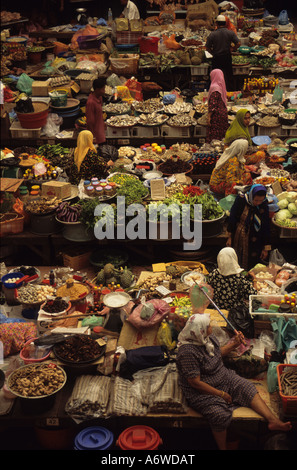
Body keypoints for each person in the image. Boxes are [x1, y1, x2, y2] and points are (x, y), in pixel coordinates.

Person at [176, 313, 292, 450]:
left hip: (221, 375)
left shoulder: (206, 339)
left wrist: (234, 343)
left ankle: (273, 421)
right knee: (219, 415)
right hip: (202, 390)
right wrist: (221, 394)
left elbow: (217, 353)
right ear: (200, 330)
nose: (211, 327)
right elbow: (195, 383)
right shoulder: (187, 352)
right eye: (208, 326)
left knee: (246, 387)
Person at [227, 184, 272, 270]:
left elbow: (266, 225)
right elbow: (232, 218)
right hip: (240, 236)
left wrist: (266, 248)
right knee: (238, 258)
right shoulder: (241, 200)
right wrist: (230, 237)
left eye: (260, 200)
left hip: (257, 239)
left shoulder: (263, 204)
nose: (258, 203)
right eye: (256, 200)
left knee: (253, 262)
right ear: (251, 195)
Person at [209, 109, 253, 196]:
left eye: (249, 118)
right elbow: (230, 180)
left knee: (247, 176)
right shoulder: (233, 160)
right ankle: (230, 200)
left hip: (226, 179)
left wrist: (245, 171)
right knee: (234, 184)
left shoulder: (236, 156)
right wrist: (239, 182)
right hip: (216, 185)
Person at [206, 14, 240, 91]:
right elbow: (238, 43)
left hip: (216, 58)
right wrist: (232, 49)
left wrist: (213, 53)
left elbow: (207, 47)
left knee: (216, 78)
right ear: (225, 23)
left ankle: (217, 92)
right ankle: (229, 93)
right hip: (227, 57)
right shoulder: (230, 33)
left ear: (217, 23)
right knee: (228, 77)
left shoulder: (213, 34)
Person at [206, 69, 229, 144]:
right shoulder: (221, 85)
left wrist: (209, 116)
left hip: (216, 115)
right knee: (222, 135)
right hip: (223, 113)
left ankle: (214, 151)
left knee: (214, 136)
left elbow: (213, 104)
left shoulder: (214, 87)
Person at [86, 77, 107, 145]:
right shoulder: (91, 102)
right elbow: (90, 121)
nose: (104, 91)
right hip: (96, 135)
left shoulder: (99, 97)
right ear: (97, 89)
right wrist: (93, 137)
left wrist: (103, 123)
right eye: (103, 89)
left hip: (101, 131)